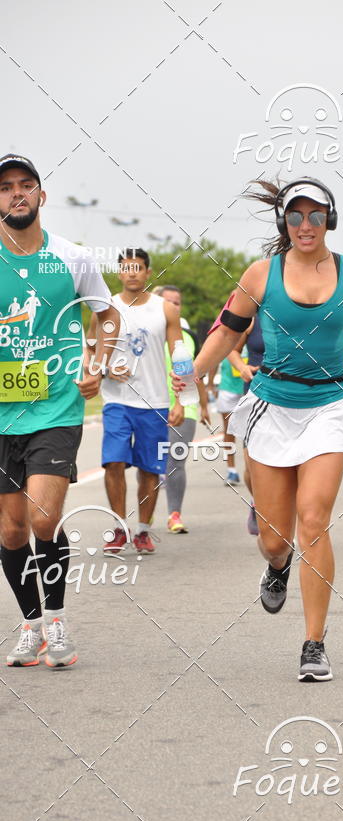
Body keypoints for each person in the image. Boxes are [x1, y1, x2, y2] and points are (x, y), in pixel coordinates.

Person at [173, 177, 343, 681]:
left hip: (329, 407)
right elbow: (227, 329)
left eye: (315, 216)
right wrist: (193, 375)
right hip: (270, 404)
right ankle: (277, 565)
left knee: (313, 520)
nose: (305, 225)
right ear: (284, 221)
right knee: (274, 539)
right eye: (296, 216)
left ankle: (314, 643)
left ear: (328, 220)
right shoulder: (259, 274)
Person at [0, 153, 118, 668]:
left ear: (41, 196)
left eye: (26, 185)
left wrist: (98, 361)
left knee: (44, 517)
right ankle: (29, 625)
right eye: (6, 188)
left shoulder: (72, 258)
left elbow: (107, 315)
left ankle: (57, 619)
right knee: (10, 530)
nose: (17, 194)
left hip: (56, 407)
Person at [96, 248, 184, 554]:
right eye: (126, 267)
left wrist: (181, 400)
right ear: (119, 273)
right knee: (114, 462)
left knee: (149, 469)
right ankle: (119, 526)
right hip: (116, 400)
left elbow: (181, 358)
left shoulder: (166, 310)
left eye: (138, 268)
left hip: (155, 402)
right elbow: (90, 353)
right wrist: (105, 369)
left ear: (148, 273)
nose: (132, 273)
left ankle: (143, 530)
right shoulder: (105, 308)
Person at [157, 285, 210, 533]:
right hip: (151, 407)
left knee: (175, 461)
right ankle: (142, 522)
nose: (174, 307)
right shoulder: (144, 335)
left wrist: (204, 405)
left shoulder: (188, 337)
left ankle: (174, 515)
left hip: (184, 407)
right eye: (168, 302)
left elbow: (193, 374)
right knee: (150, 464)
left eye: (177, 302)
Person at [228, 317, 263, 533]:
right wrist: (242, 366)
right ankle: (257, 503)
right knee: (251, 463)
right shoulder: (251, 319)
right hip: (255, 392)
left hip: (289, 395)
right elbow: (232, 349)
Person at [216, 355, 244, 486]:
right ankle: (231, 470)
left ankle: (254, 470)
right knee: (229, 430)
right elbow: (214, 358)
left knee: (252, 431)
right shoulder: (227, 335)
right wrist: (210, 384)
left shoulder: (256, 334)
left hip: (250, 387)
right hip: (228, 388)